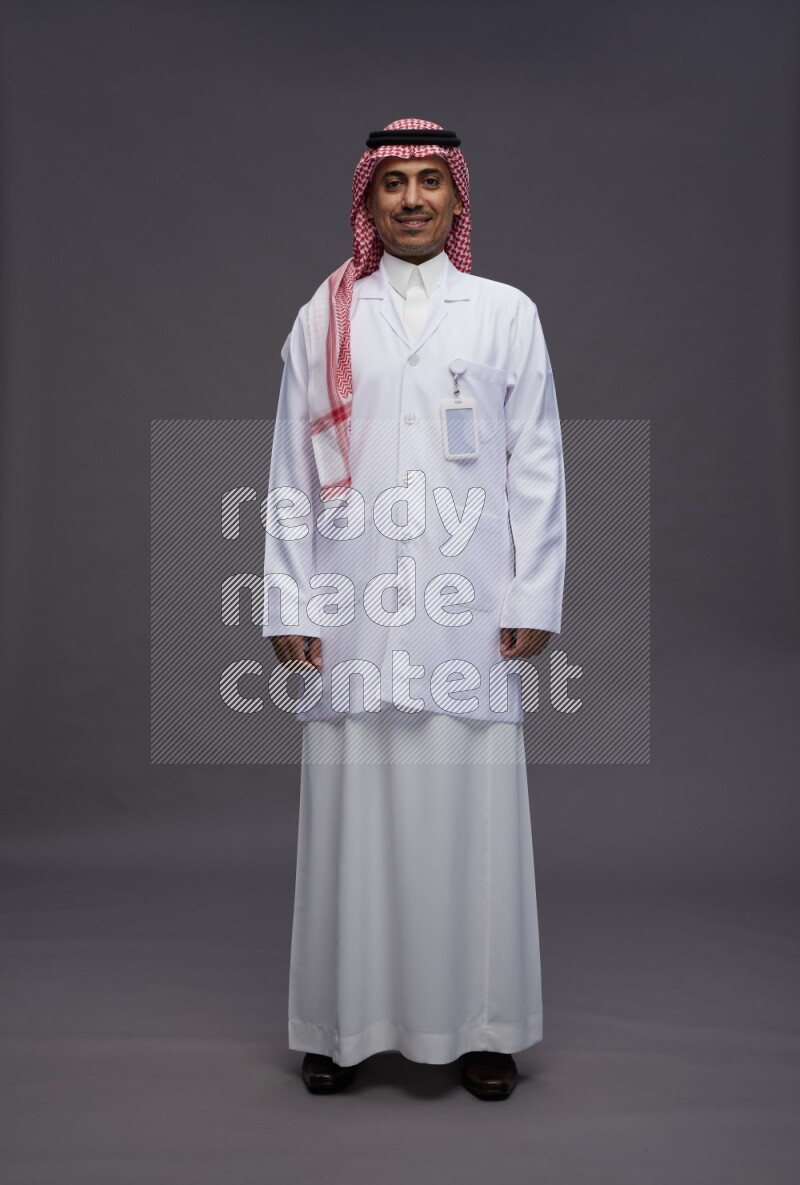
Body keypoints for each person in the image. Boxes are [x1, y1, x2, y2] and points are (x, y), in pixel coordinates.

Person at [262, 117, 566, 1100]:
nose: (410, 202)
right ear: (367, 200)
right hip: (351, 605)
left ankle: (482, 1028)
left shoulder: (503, 313)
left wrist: (532, 593)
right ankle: (340, 1026)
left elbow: (537, 466)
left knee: (468, 816)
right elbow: (288, 475)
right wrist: (287, 598)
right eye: (392, 186)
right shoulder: (325, 319)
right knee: (353, 814)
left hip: (466, 606)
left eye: (428, 182)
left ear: (456, 198)